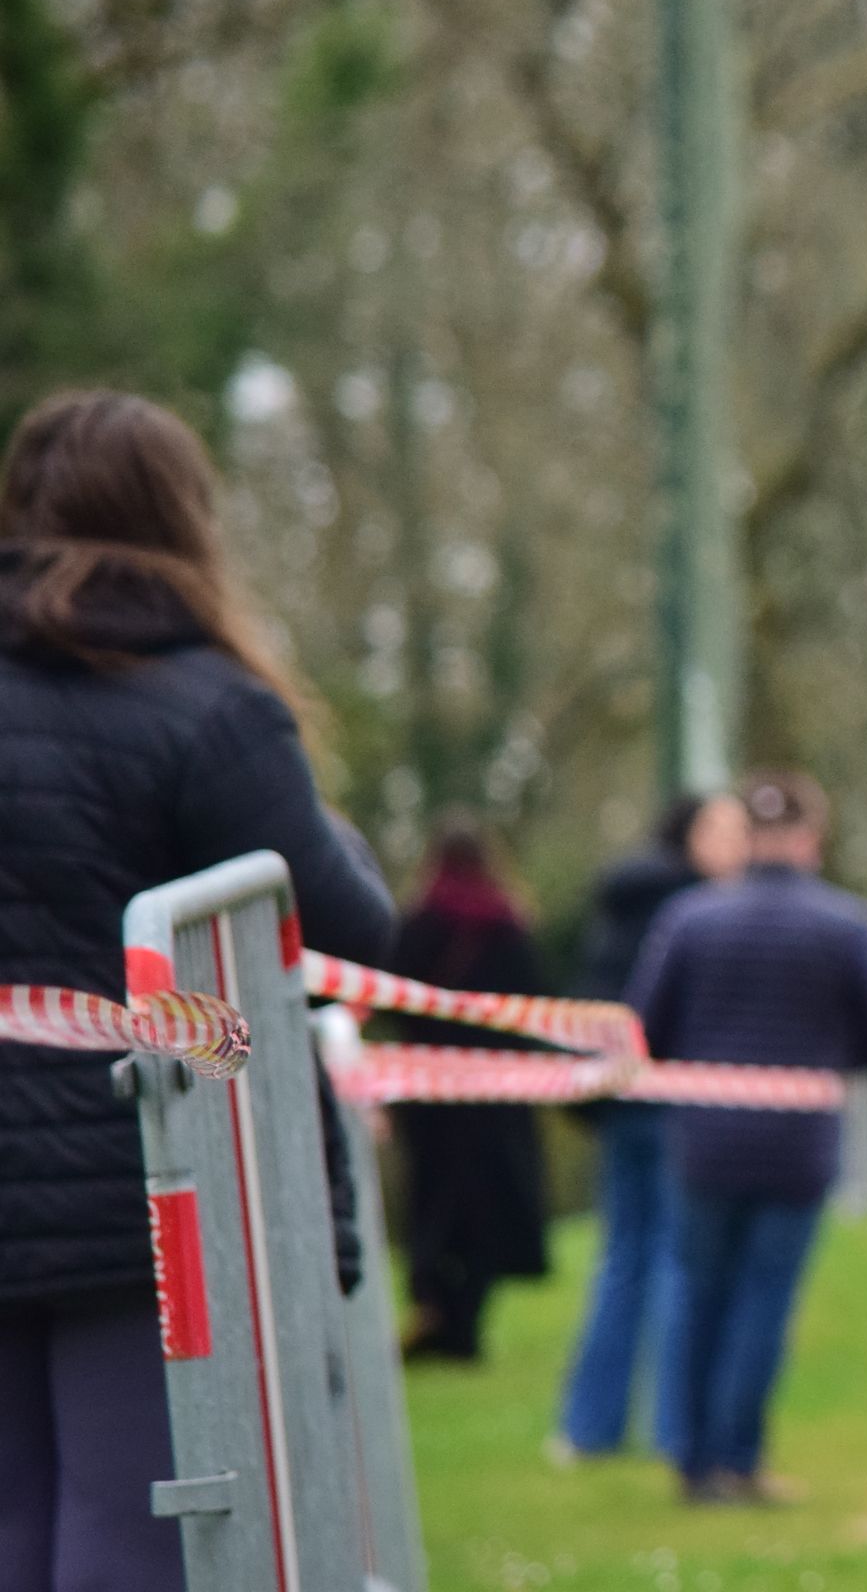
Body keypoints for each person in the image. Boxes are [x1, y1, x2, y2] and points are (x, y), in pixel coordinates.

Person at [0, 389, 399, 1591]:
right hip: (151, 1183)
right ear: (184, 517)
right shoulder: (208, 708)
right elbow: (344, 933)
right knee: (131, 1531)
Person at [631, 770, 867, 1505]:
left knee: (696, 1294)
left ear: (748, 837)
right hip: (797, 1142)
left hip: (703, 1138)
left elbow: (645, 1028)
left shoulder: (689, 919)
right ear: (811, 837)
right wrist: (830, 1058)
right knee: (763, 1301)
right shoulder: (846, 925)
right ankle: (738, 1459)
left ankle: (690, 1460)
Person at [554, 791, 747, 1461]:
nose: (737, 846)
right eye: (722, 830)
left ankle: (589, 1428)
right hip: (669, 1101)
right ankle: (674, 1427)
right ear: (689, 836)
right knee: (673, 1261)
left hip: (622, 1104)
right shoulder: (694, 912)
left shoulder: (626, 901)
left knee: (623, 1260)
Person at [392, 817, 554, 1362]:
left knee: (433, 1205)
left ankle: (435, 1311)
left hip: (430, 1097)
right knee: (484, 1211)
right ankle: (465, 1323)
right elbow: (534, 1004)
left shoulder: (421, 924)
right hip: (495, 1100)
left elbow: (394, 997)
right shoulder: (508, 926)